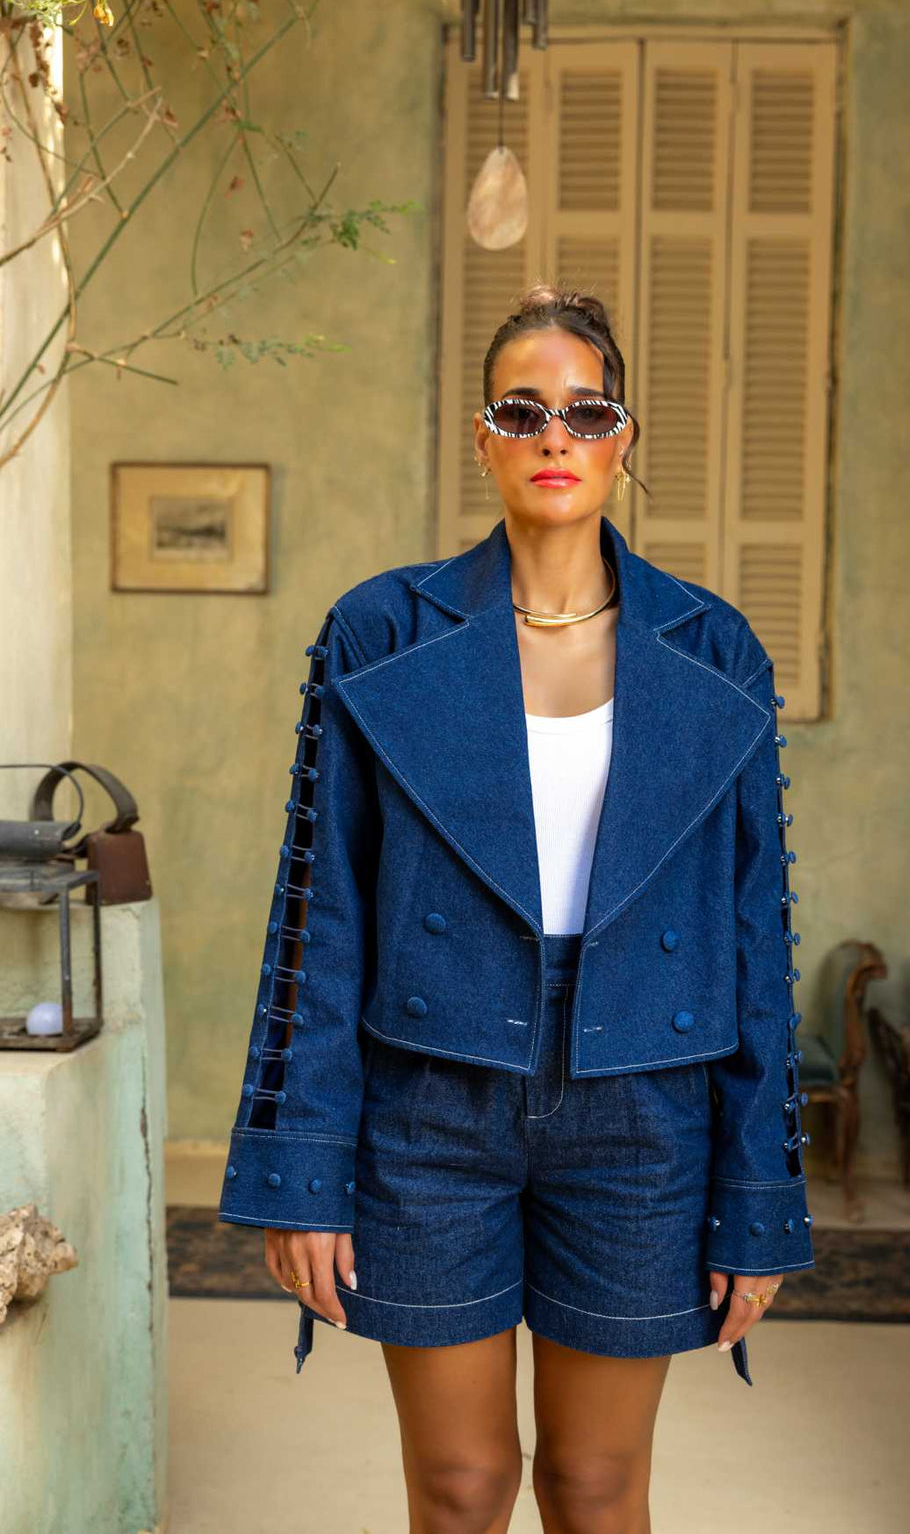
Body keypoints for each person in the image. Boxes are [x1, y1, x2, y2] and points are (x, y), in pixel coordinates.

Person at [218, 282, 814, 1532]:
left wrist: (758, 1192)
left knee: (596, 1488)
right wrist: (301, 1170)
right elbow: (322, 915)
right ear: (482, 438)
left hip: (645, 1102)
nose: (555, 436)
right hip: (429, 1099)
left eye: (586, 411)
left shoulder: (713, 649)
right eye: (522, 410)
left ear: (623, 439)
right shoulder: (380, 631)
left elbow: (754, 936)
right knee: (461, 1485)